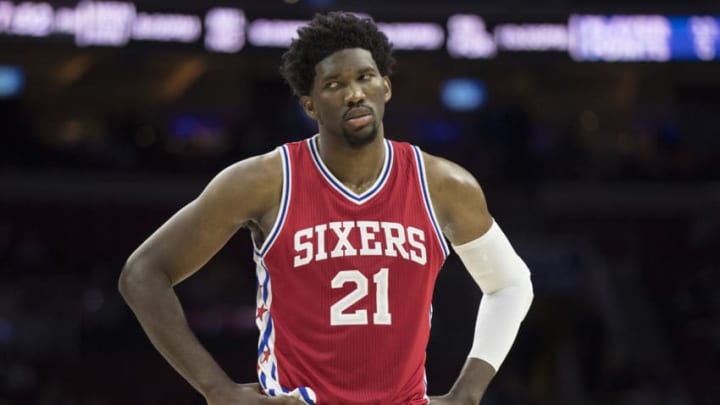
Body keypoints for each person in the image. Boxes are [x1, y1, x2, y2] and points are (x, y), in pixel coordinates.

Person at [119, 12, 533, 405]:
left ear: (385, 87)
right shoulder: (263, 182)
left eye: (365, 77)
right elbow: (142, 275)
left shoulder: (443, 186)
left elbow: (511, 284)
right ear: (310, 105)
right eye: (334, 84)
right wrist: (217, 389)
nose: (354, 93)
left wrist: (468, 392)